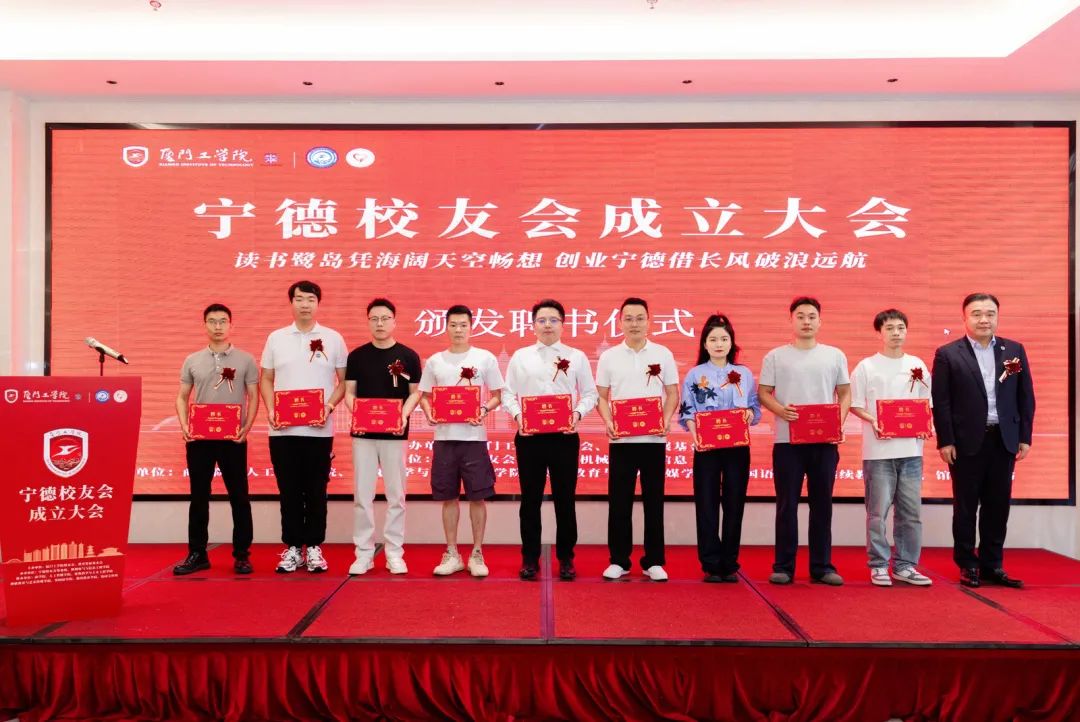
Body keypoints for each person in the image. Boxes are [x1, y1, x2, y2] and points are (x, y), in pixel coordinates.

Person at [932, 293, 1035, 588]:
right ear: (965, 317)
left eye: (990, 313)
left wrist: (1024, 436)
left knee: (998, 505)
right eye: (976, 313)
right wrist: (945, 440)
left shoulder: (1013, 350)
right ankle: (967, 564)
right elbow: (942, 402)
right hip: (966, 441)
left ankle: (992, 565)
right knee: (966, 506)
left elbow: (1025, 396)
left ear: (997, 317)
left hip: (1003, 439)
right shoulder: (948, 353)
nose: (984, 319)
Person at [502, 299, 598, 582]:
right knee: (530, 500)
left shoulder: (576, 357)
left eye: (553, 320)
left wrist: (577, 414)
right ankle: (530, 558)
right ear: (533, 325)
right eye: (542, 320)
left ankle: (566, 558)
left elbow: (590, 393)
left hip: (564, 437)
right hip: (529, 437)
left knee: (565, 500)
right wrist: (519, 416)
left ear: (563, 324)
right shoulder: (520, 356)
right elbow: (507, 393)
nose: (547, 325)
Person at [759, 296, 850, 586]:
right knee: (787, 505)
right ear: (791, 320)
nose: (806, 321)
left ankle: (822, 566)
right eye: (800, 316)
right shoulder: (775, 356)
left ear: (820, 321)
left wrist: (837, 421)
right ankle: (784, 566)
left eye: (812, 316)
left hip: (825, 442)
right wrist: (780, 410)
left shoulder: (834, 355)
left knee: (822, 504)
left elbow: (845, 393)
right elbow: (763, 393)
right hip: (787, 443)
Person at [260, 280, 347, 574]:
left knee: (316, 490)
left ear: (318, 303)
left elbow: (344, 382)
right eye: (299, 299)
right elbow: (266, 378)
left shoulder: (333, 338)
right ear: (291, 303)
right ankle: (293, 547)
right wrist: (272, 409)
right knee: (288, 490)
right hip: (282, 430)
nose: (305, 304)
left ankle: (315, 547)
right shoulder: (276, 338)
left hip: (319, 431)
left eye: (310, 299)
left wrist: (329, 407)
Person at [595, 297, 680, 582]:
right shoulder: (609, 357)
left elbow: (672, 393)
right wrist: (608, 421)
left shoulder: (663, 354)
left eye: (640, 318)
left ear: (648, 321)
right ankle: (619, 560)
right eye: (629, 318)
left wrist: (665, 419)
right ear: (620, 322)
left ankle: (653, 561)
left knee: (654, 502)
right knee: (619, 502)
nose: (634, 324)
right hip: (621, 441)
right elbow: (601, 396)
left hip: (654, 440)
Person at [417, 304, 504, 578]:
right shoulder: (435, 361)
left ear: (471, 327)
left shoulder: (485, 358)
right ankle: (452, 553)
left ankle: (477, 553)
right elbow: (425, 396)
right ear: (445, 327)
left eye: (463, 325)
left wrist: (483, 410)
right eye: (453, 325)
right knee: (448, 498)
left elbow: (498, 395)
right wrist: (430, 413)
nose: (458, 330)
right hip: (444, 439)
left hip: (473, 439)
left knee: (478, 497)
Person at [173, 303, 259, 575]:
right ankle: (197, 554)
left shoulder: (246, 360)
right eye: (212, 321)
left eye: (223, 321)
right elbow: (182, 397)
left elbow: (253, 396)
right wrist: (185, 425)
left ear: (231, 325)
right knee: (199, 496)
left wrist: (247, 427)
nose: (218, 326)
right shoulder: (192, 360)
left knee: (239, 496)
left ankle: (242, 555)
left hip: (233, 438)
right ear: (205, 325)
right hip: (199, 439)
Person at [849, 309, 933, 587]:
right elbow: (854, 404)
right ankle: (878, 565)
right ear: (879, 333)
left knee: (911, 514)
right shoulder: (866, 367)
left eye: (900, 328)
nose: (896, 333)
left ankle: (906, 565)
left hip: (911, 452)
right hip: (878, 453)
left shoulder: (917, 364)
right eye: (889, 328)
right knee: (877, 514)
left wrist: (926, 424)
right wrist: (874, 420)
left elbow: (926, 403)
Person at [678, 313, 760, 583]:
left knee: (734, 503)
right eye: (713, 339)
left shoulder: (743, 374)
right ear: (704, 344)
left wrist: (749, 413)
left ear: (731, 342)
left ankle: (729, 562)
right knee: (707, 503)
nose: (719, 344)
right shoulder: (695, 374)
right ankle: (711, 563)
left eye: (724, 339)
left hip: (737, 447)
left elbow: (754, 406)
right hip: (706, 447)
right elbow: (687, 410)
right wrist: (696, 436)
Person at [344, 298, 422, 576]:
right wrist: (359, 412)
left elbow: (415, 393)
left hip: (395, 433)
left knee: (396, 495)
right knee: (362, 495)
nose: (380, 323)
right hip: (363, 434)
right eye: (374, 318)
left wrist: (403, 414)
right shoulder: (357, 356)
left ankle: (394, 553)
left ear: (394, 321)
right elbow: (349, 393)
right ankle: (363, 553)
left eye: (385, 318)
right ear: (368, 322)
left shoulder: (408, 356)